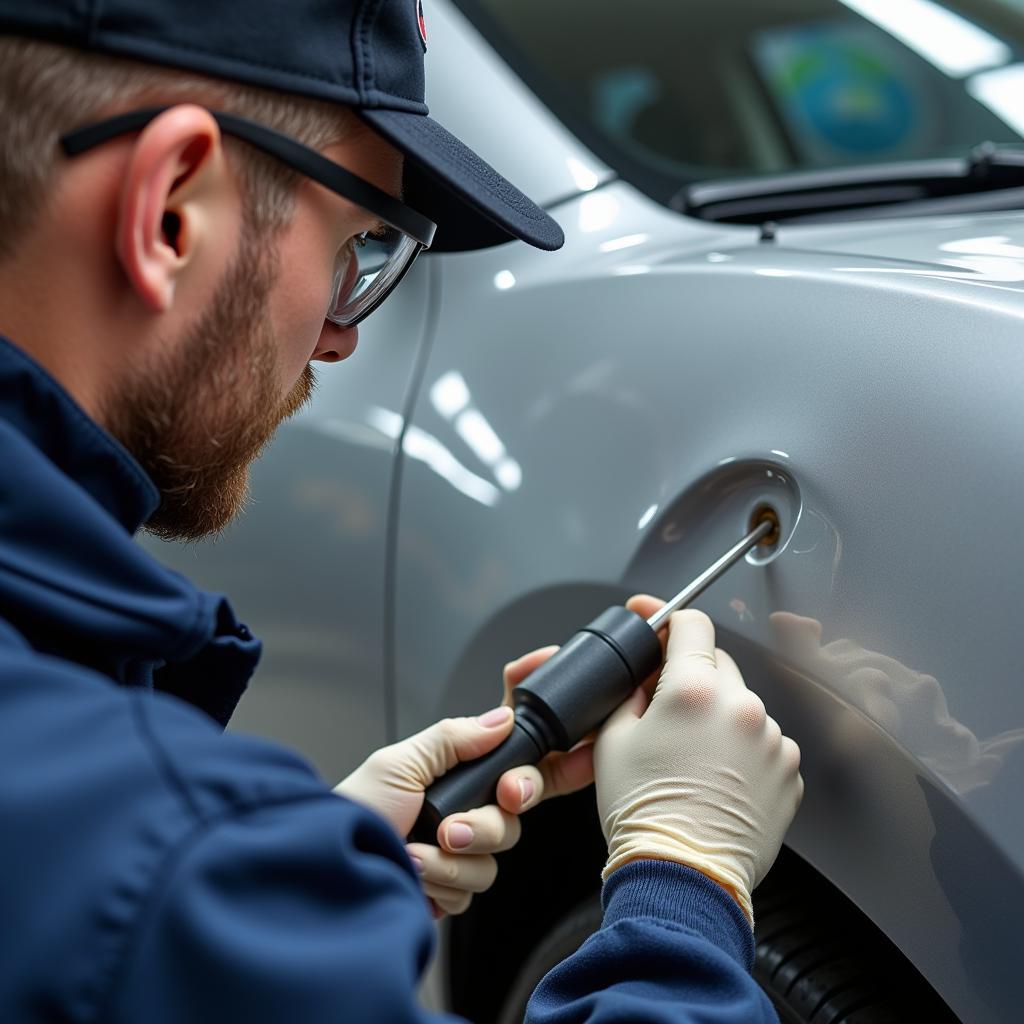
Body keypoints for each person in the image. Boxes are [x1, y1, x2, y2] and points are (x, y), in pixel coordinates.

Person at [0, 2, 803, 1021]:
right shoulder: (158, 865)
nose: (337, 340)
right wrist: (684, 884)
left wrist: (267, 907)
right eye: (356, 244)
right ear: (170, 209)